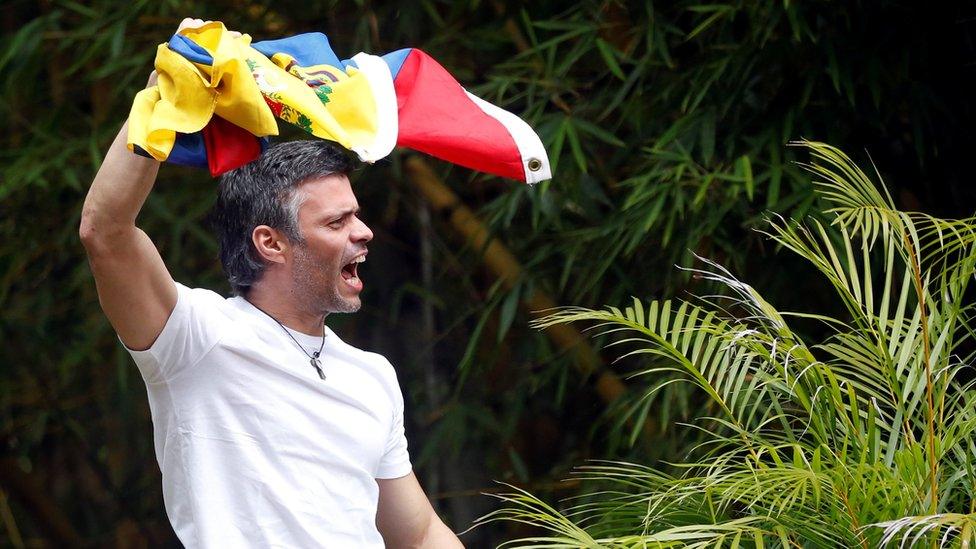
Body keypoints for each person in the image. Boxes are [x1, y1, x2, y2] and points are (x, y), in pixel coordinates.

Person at [79, 20, 464, 548]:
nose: (364, 232)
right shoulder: (194, 338)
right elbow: (106, 232)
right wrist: (160, 97)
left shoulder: (373, 376)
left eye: (356, 216)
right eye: (336, 222)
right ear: (271, 243)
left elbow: (417, 533)